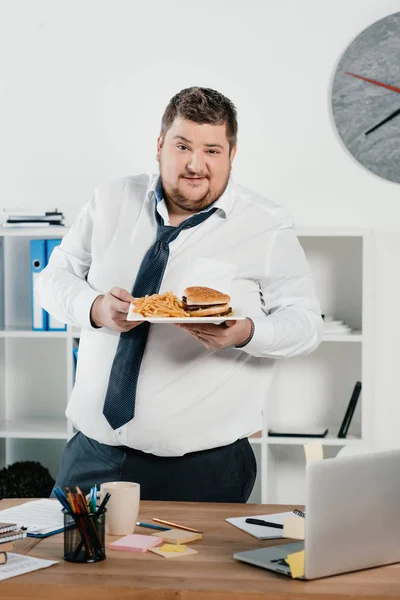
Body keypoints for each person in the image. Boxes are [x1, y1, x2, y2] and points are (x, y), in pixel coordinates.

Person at [35, 87, 323, 503]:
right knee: (72, 566)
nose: (195, 164)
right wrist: (95, 307)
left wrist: (244, 332)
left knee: (192, 572)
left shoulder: (266, 225)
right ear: (159, 145)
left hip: (205, 469)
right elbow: (51, 279)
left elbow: (306, 324)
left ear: (231, 154)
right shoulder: (110, 200)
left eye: (212, 150)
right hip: (91, 454)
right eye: (182, 146)